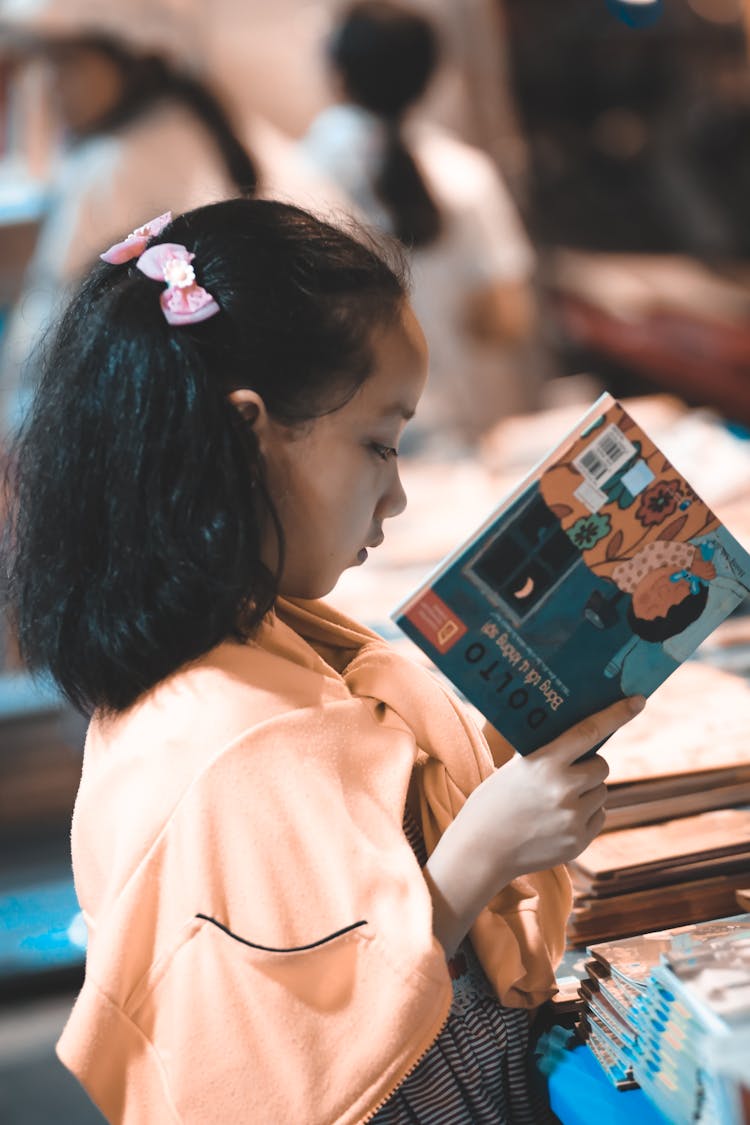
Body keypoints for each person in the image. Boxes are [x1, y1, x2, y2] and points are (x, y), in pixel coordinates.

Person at [3, 197, 644, 1124]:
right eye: (379, 443)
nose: (396, 493)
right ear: (250, 431)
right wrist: (481, 854)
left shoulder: (243, 641)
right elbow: (303, 1066)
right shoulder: (231, 745)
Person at [0, 0, 345, 433]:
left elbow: (48, 344)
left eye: (67, 61)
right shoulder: (225, 130)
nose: (49, 86)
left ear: (134, 55)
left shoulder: (115, 165)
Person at [298, 0, 541, 456]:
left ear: (337, 71)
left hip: (344, 449)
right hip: (457, 436)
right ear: (430, 76)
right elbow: (507, 318)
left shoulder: (294, 178)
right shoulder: (466, 175)